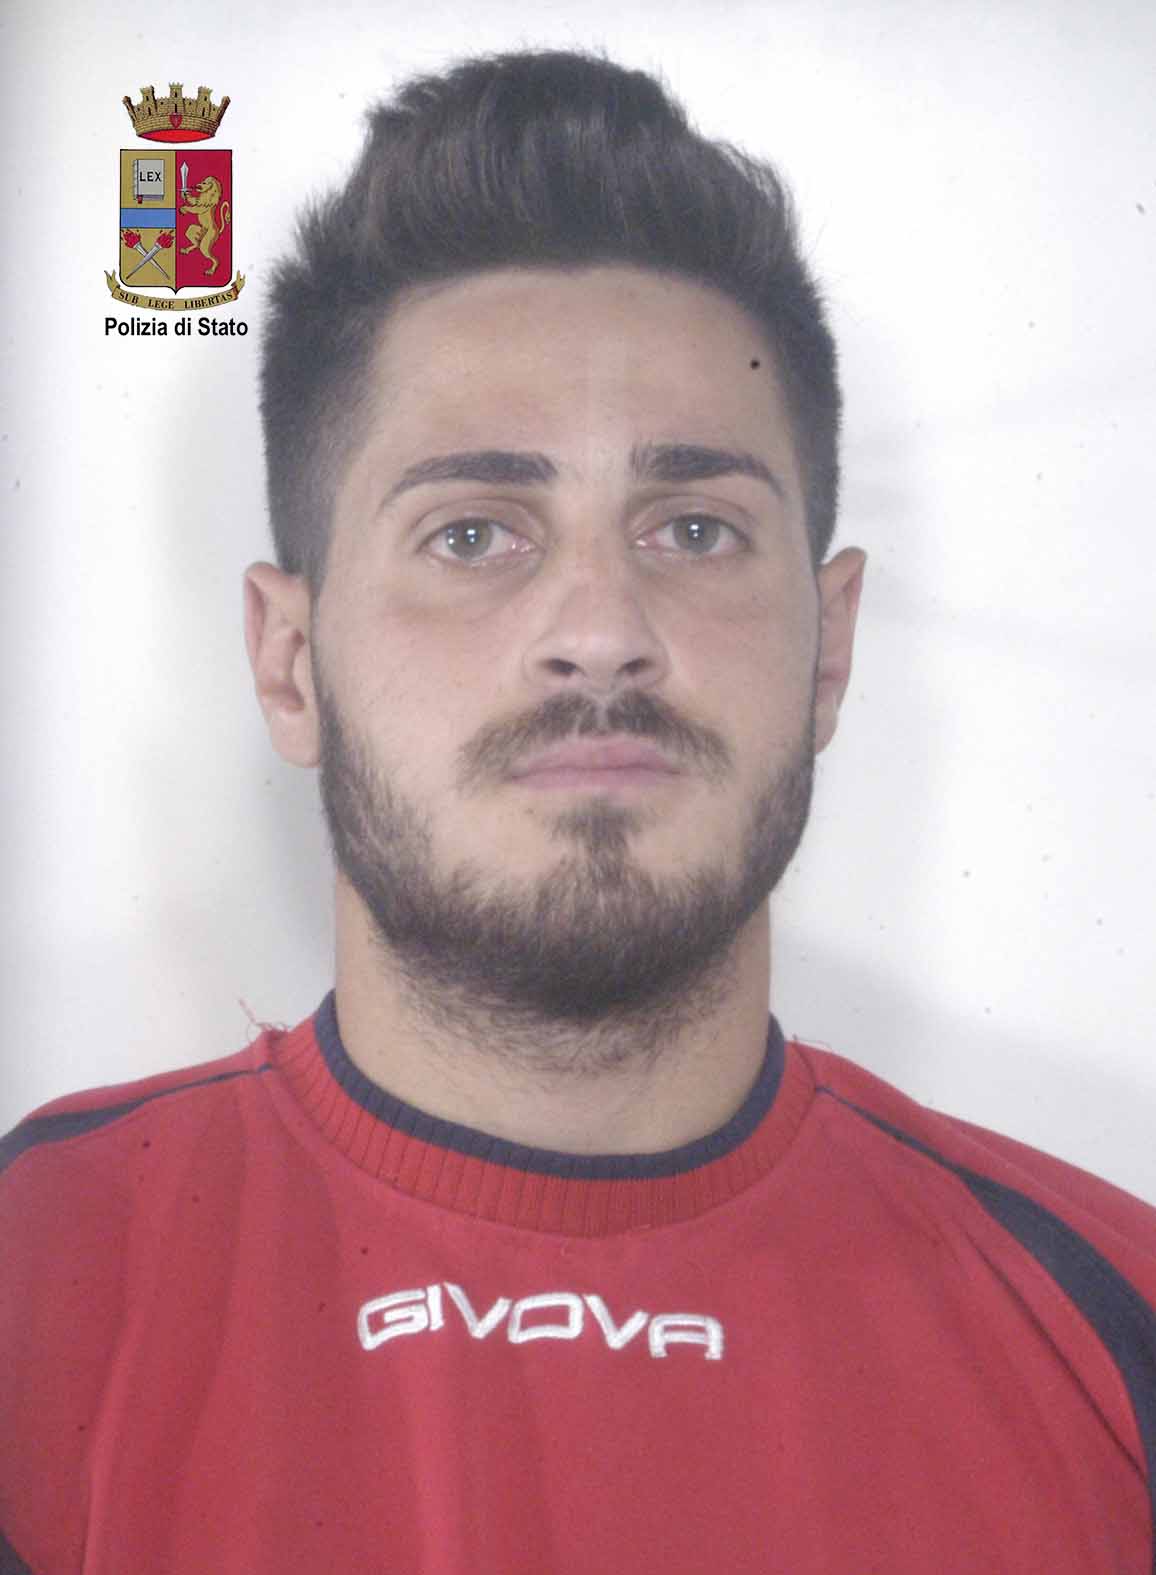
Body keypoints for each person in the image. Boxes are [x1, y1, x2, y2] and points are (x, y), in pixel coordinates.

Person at [2, 47, 1154, 1574]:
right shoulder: (35, 1281)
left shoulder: (1117, 1322)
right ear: (289, 663)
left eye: (696, 529)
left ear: (830, 651)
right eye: (474, 533)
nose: (602, 631)